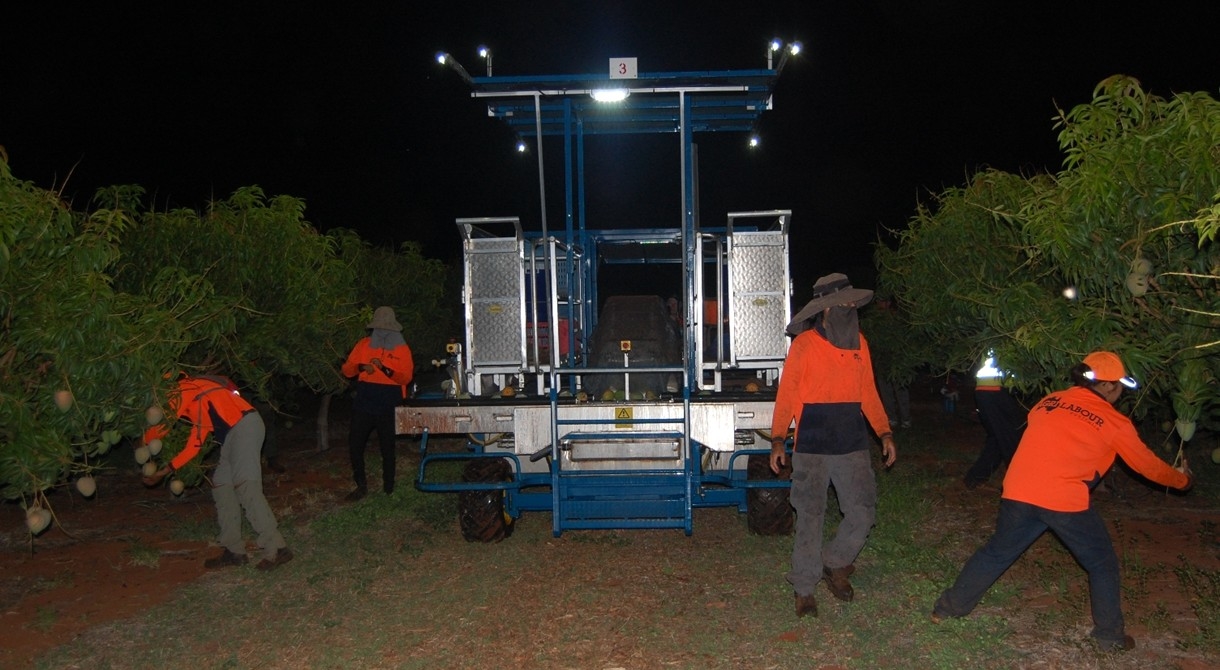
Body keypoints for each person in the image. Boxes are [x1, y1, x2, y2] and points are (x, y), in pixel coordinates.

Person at [932, 351, 1193, 651]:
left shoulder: (1048, 402)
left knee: (996, 553)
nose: (1120, 393)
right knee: (1102, 562)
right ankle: (1109, 636)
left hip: (1019, 490)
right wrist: (1182, 480)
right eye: (1119, 386)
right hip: (1062, 499)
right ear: (1107, 386)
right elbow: (1146, 465)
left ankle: (947, 608)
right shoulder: (1113, 421)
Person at [770, 273, 898, 618]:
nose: (850, 307)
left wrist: (884, 433)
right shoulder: (805, 345)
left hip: (852, 442)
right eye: (844, 302)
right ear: (826, 309)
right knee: (810, 515)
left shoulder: (861, 344)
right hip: (812, 443)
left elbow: (868, 392)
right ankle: (804, 586)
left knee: (862, 510)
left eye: (852, 303)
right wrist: (779, 438)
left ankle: (836, 562)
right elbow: (787, 395)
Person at [143, 374, 293, 571]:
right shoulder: (198, 399)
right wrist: (164, 472)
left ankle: (277, 548)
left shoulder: (185, 388)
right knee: (222, 485)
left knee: (245, 485)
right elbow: (194, 445)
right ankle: (234, 551)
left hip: (243, 426)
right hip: (232, 434)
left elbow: (165, 419)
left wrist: (144, 441)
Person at [342, 306, 414, 501]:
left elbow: (406, 377)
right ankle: (360, 485)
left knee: (387, 446)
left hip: (388, 400)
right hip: (365, 399)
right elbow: (347, 371)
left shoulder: (401, 349)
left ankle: (388, 487)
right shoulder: (364, 345)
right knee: (355, 443)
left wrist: (385, 369)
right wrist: (359, 367)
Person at [963, 350, 1025, 489]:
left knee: (997, 438)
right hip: (996, 391)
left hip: (986, 391)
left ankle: (976, 477)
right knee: (1012, 437)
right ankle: (1017, 483)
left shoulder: (994, 338)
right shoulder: (1009, 339)